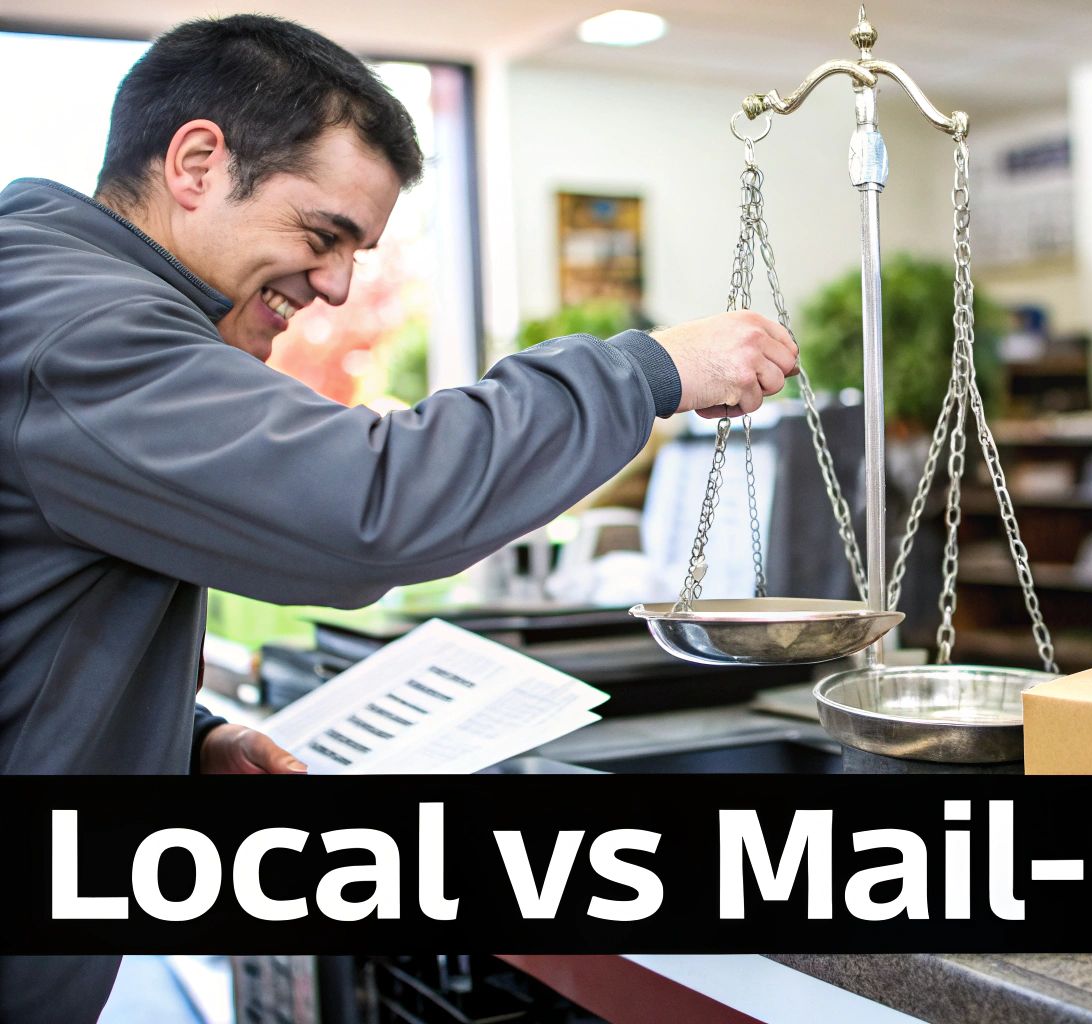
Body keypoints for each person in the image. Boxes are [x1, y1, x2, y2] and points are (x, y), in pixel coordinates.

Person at [0, 14, 796, 1018]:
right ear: (196, 162)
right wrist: (645, 368)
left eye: (354, 254)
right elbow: (364, 505)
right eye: (321, 235)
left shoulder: (51, 296)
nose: (332, 286)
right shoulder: (72, 324)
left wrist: (178, 735)